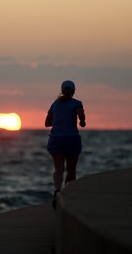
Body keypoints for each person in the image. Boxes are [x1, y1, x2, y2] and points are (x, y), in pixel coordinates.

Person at [45, 80, 86, 209]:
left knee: (58, 169)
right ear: (74, 91)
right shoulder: (77, 103)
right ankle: (68, 196)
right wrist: (82, 122)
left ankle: (57, 191)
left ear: (61, 90)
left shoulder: (55, 104)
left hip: (56, 139)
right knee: (71, 169)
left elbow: (47, 123)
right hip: (71, 139)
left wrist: (59, 120)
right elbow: (81, 115)